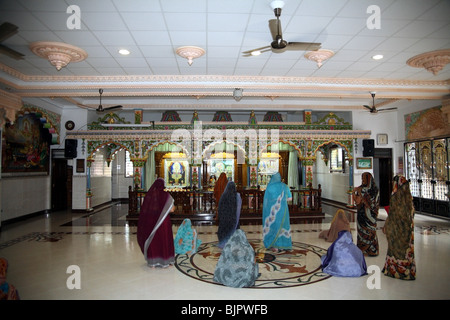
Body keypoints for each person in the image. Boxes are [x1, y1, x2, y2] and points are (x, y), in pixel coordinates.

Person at [382, 175, 416, 280]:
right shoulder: (408, 197)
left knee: (394, 249)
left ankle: (393, 270)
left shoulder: (395, 196)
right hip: (407, 229)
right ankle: (406, 271)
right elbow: (411, 213)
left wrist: (388, 225)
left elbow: (393, 213)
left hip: (396, 229)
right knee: (405, 250)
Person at [137, 178, 175, 268]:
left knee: (153, 241)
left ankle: (152, 263)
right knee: (164, 239)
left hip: (151, 221)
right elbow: (172, 209)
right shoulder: (166, 195)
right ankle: (165, 261)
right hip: (163, 222)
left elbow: (145, 209)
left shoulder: (150, 196)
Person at [262, 172, 292, 252]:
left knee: (273, 227)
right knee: (283, 226)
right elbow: (290, 199)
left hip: (272, 212)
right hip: (283, 211)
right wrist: (282, 200)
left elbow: (266, 201)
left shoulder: (269, 187)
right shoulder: (285, 186)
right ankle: (282, 245)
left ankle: (274, 245)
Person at [353, 172, 380, 256]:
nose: (363, 180)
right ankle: (362, 249)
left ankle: (372, 250)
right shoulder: (360, 188)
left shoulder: (375, 190)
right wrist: (354, 193)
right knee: (361, 232)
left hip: (370, 216)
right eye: (362, 179)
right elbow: (357, 201)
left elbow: (373, 204)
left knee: (371, 232)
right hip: (361, 215)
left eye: (364, 178)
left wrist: (362, 194)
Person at [217, 181, 242, 249]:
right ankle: (233, 242)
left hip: (224, 219)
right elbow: (238, 209)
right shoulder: (237, 196)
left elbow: (220, 208)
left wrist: (221, 217)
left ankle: (224, 241)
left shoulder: (223, 196)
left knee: (224, 230)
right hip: (233, 220)